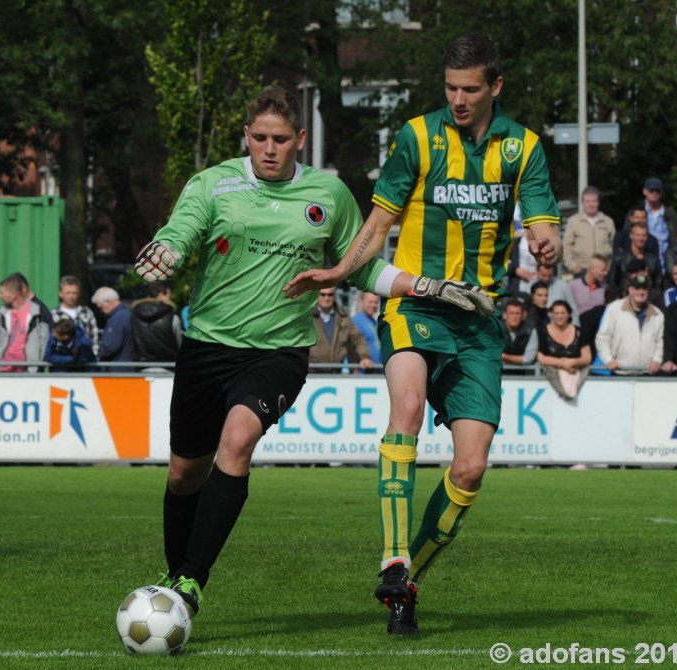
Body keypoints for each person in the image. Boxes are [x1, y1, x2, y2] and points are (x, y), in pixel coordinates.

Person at [134, 85, 486, 623]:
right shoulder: (213, 183)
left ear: (300, 139)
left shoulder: (330, 193)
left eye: (280, 139)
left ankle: (191, 584)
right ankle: (175, 572)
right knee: (184, 473)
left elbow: (363, 266)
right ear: (245, 137)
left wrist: (426, 287)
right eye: (259, 139)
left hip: (277, 353)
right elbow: (182, 229)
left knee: (238, 439)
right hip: (207, 347)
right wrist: (170, 247)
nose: (269, 149)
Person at [283, 34, 561, 635]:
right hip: (416, 306)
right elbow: (379, 221)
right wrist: (338, 270)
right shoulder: (416, 137)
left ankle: (407, 589)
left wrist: (547, 243)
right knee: (405, 405)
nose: (458, 101)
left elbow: (544, 225)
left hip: (479, 321)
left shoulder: (524, 147)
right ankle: (393, 558)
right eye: (450, 90)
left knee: (471, 469)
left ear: (495, 87)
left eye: (470, 90)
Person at [595, 274, 663, 375]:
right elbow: (603, 337)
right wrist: (608, 360)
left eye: (644, 288)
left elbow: (660, 340)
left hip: (647, 373)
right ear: (630, 290)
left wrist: (657, 360)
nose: (641, 292)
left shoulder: (657, 313)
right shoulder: (614, 309)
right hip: (620, 371)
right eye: (637, 288)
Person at [0, 274, 49, 372]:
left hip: (28, 373)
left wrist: (37, 366)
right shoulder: (0, 314)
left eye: (2, 293)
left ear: (13, 294)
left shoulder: (37, 313)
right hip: (2, 371)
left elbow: (44, 342)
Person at [615, 179, 677, 263]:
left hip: (667, 259)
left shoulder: (670, 213)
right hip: (642, 258)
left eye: (657, 190)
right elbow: (627, 234)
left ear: (661, 193)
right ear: (645, 191)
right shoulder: (636, 211)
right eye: (651, 190)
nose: (654, 193)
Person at [536, 300, 592, 399]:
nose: (559, 316)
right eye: (556, 313)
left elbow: (587, 357)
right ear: (551, 315)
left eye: (563, 313)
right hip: (550, 376)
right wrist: (563, 364)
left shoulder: (580, 332)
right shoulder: (542, 331)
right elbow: (541, 357)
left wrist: (572, 362)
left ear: (569, 314)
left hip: (576, 373)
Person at [309, 288, 373, 372]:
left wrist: (365, 357)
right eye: (323, 294)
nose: (326, 298)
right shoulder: (308, 316)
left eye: (330, 295)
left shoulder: (343, 316)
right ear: (317, 295)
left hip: (336, 371)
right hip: (312, 372)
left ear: (334, 296)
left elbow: (358, 338)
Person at [562, 186, 615, 276]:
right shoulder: (574, 221)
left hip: (603, 271)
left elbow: (614, 245)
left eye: (594, 201)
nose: (591, 204)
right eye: (587, 201)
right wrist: (572, 266)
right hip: (581, 269)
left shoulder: (607, 221)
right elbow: (566, 246)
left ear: (598, 202)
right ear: (583, 203)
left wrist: (609, 266)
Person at [131, 280, 182, 364]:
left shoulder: (135, 315)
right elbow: (179, 343)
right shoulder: (173, 317)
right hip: (168, 365)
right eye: (168, 295)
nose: (170, 299)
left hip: (142, 366)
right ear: (161, 294)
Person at [52, 275, 101, 357]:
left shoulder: (86, 312)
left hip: (85, 363)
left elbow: (94, 337)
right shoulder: (53, 314)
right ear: (60, 294)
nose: (71, 296)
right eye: (68, 293)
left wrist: (94, 356)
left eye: (74, 293)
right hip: (61, 363)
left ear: (79, 294)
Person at [610, 220, 663, 290]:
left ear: (647, 237)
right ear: (631, 236)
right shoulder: (620, 259)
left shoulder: (653, 260)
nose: (641, 238)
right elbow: (612, 284)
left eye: (643, 235)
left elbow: (659, 284)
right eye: (638, 235)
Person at [91, 287, 133, 369]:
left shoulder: (117, 319)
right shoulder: (126, 314)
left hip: (117, 370)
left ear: (107, 302)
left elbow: (109, 347)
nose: (101, 312)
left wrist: (95, 352)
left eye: (100, 308)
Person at [501, 298, 538, 371]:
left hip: (523, 376)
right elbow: (490, 356)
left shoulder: (530, 330)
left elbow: (528, 359)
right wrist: (517, 360)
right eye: (511, 313)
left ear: (523, 315)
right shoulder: (496, 330)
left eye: (517, 313)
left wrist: (505, 357)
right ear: (504, 315)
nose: (514, 317)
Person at [351, 290, 382, 365]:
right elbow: (352, 345)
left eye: (376, 302)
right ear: (361, 302)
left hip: (376, 370)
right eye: (370, 302)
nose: (373, 305)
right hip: (362, 371)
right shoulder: (355, 321)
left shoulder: (375, 322)